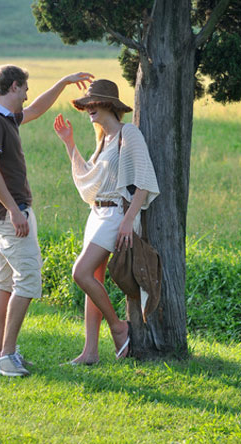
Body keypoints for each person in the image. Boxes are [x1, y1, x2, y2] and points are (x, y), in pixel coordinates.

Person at [0, 64, 94, 376]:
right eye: (25, 88)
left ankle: (3, 354)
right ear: (14, 86)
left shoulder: (6, 118)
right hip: (9, 215)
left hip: (4, 214)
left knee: (4, 282)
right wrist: (15, 210)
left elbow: (38, 108)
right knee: (28, 280)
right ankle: (6, 356)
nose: (27, 94)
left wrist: (64, 82)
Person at [54, 79, 160, 364]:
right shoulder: (103, 141)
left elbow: (145, 183)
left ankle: (117, 326)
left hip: (116, 215)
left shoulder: (129, 134)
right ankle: (90, 352)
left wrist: (128, 221)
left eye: (94, 103)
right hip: (97, 214)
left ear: (109, 105)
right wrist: (69, 143)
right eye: (86, 105)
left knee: (81, 272)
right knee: (93, 278)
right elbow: (88, 178)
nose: (89, 108)